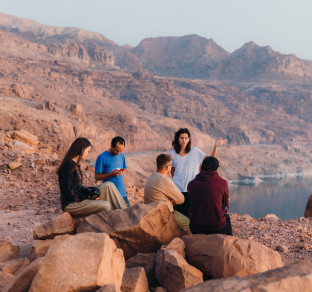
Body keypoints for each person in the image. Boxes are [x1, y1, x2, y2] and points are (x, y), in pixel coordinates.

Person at [57, 137, 125, 217]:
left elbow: (76, 187)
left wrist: (89, 191)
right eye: (88, 151)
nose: (87, 154)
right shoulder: (68, 165)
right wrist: (87, 195)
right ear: (81, 149)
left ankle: (124, 212)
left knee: (108, 185)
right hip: (72, 204)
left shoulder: (75, 165)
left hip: (79, 199)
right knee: (106, 205)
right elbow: (69, 191)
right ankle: (119, 218)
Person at [169, 128, 227, 217]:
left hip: (192, 190)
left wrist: (215, 147)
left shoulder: (195, 151)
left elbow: (211, 161)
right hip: (177, 191)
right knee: (177, 217)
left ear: (189, 139)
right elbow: (172, 171)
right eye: (181, 138)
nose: (184, 140)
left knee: (190, 217)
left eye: (186, 138)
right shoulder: (172, 153)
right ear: (178, 139)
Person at [144, 154, 191, 234]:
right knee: (188, 223)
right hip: (163, 213)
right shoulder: (164, 179)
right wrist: (172, 200)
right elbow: (181, 199)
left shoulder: (151, 176)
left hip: (149, 210)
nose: (171, 167)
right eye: (171, 165)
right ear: (167, 167)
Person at [187, 156, 232, 235]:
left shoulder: (191, 184)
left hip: (196, 227)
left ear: (201, 168)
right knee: (227, 218)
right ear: (216, 170)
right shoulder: (223, 183)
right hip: (218, 228)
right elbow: (226, 204)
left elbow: (191, 204)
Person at [95, 136, 130, 207]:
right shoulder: (101, 157)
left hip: (123, 193)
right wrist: (110, 174)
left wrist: (125, 189)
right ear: (111, 146)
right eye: (116, 150)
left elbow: (123, 174)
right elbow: (97, 177)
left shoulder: (121, 156)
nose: (118, 153)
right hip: (111, 194)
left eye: (121, 151)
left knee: (128, 213)